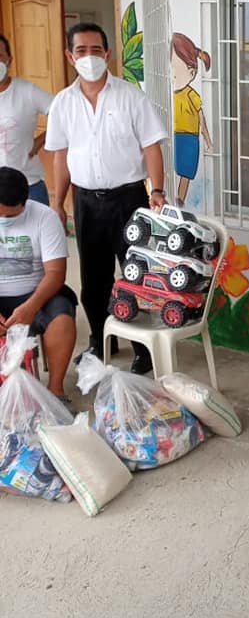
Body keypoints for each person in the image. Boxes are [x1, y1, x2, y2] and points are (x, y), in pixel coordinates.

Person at [44, 22, 168, 374]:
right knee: (94, 280)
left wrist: (157, 191)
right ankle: (101, 342)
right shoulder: (63, 103)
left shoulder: (130, 96)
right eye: (81, 51)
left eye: (96, 50)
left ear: (108, 54)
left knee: (136, 275)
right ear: (70, 56)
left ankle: (143, 348)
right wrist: (58, 203)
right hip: (86, 202)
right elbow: (60, 156)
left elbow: (152, 146)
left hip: (129, 200)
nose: (89, 57)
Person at [0, 166, 77, 402]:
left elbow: (55, 273)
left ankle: (55, 392)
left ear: (25, 202)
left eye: (11, 216)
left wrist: (31, 307)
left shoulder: (45, 217)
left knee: (62, 320)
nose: (5, 220)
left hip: (38, 293)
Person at [0, 34, 54, 205]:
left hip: (28, 184)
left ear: (9, 60)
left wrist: (40, 141)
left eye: (0, 56)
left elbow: (63, 113)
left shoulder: (27, 91)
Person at [171, 32, 213, 206]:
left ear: (191, 71)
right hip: (176, 135)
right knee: (176, 168)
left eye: (176, 70)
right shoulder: (171, 94)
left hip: (190, 137)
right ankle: (176, 199)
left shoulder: (191, 94)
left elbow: (201, 118)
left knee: (186, 172)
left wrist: (208, 140)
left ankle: (180, 200)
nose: (172, 75)